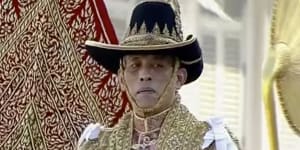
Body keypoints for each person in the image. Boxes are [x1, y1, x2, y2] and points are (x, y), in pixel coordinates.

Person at [77, 0, 240, 149]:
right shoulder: (96, 145)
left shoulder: (211, 143)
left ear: (179, 77)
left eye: (158, 65)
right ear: (121, 79)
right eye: (135, 65)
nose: (145, 75)